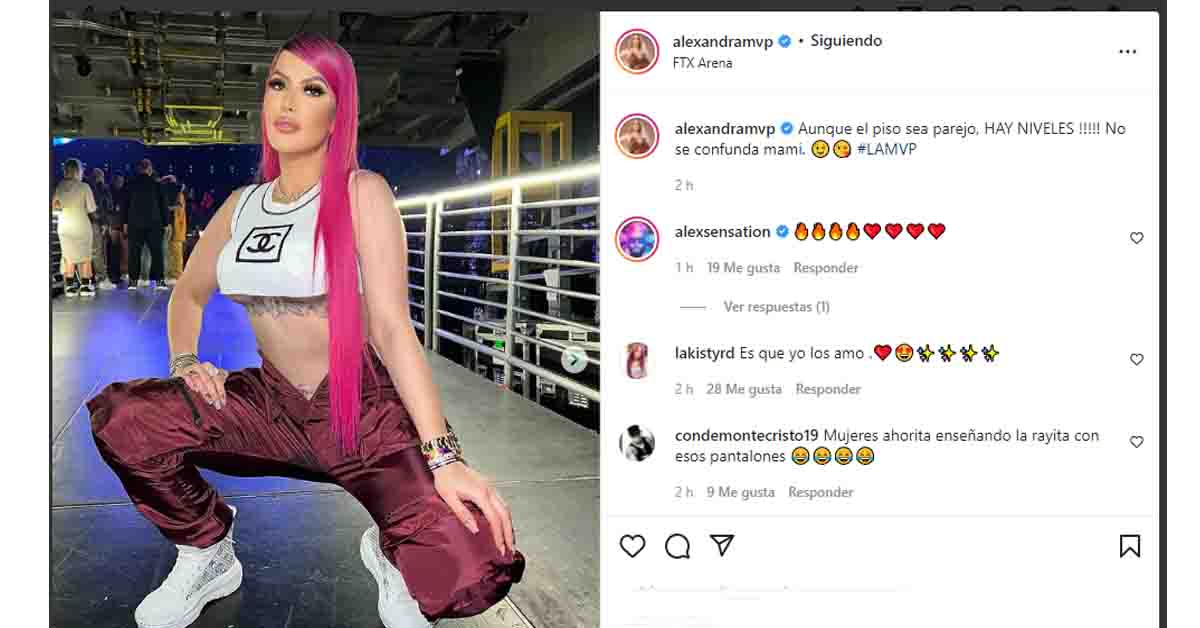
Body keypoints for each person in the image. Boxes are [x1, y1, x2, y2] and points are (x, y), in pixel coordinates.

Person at [86, 33, 523, 628]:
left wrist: (444, 458)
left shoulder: (362, 193)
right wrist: (186, 362)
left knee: (473, 565)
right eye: (278, 85)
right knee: (125, 420)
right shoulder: (241, 205)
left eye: (312, 90)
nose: (289, 103)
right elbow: (187, 293)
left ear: (338, 112)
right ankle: (208, 550)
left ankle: (392, 547)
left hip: (360, 411)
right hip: (268, 406)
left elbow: (393, 329)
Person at [52, 159, 98, 297]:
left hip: (65, 226)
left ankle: (70, 287)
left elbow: (55, 206)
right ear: (79, 171)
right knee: (85, 256)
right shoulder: (84, 187)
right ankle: (85, 286)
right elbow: (91, 209)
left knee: (68, 256)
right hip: (81, 225)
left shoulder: (60, 186)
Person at [123, 159, 171, 291]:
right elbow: (163, 205)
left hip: (134, 224)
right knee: (157, 253)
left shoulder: (130, 184)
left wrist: (125, 223)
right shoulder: (157, 184)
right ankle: (159, 281)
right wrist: (166, 223)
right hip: (154, 224)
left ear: (139, 169)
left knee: (134, 253)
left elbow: (125, 205)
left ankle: (133, 282)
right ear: (150, 169)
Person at [86, 168, 117, 289]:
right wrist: (105, 223)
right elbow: (107, 207)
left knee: (89, 252)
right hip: (98, 223)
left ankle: (90, 278)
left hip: (86, 222)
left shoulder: (87, 186)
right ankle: (102, 278)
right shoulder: (103, 188)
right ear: (101, 177)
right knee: (99, 252)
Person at [110, 173, 130, 285]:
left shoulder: (124, 193)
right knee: (115, 251)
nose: (120, 183)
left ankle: (121, 273)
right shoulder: (112, 192)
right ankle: (116, 274)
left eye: (121, 181)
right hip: (115, 225)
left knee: (122, 251)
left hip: (121, 226)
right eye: (118, 181)